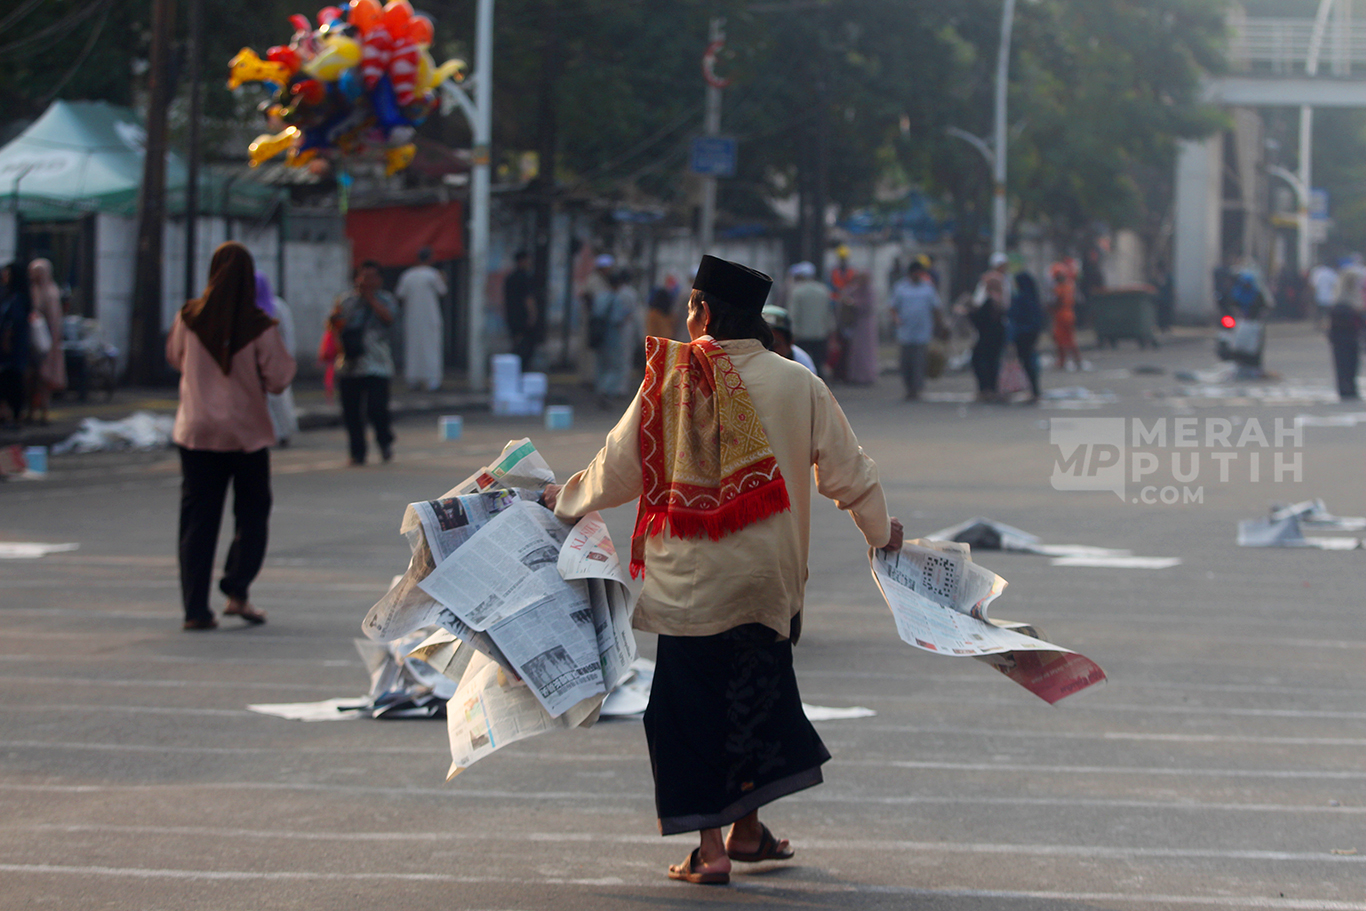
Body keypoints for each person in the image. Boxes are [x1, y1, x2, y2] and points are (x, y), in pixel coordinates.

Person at [542, 255, 903, 886]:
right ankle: (749, 831)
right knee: (752, 705)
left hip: (689, 586)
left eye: (690, 307)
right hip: (769, 582)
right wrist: (881, 533)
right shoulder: (800, 384)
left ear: (704, 312)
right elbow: (850, 474)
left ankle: (711, 850)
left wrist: (563, 502)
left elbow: (619, 467)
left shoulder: (669, 381)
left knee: (690, 714)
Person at [166, 241, 296, 631]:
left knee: (198, 521)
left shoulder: (188, 318)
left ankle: (195, 609)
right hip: (246, 435)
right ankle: (237, 591)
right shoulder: (258, 325)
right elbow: (279, 379)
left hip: (196, 432)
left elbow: (175, 358)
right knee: (252, 515)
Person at [330, 260, 399, 465]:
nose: (366, 281)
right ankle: (357, 452)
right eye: (363, 277)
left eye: (371, 277)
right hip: (350, 364)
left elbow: (389, 320)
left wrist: (370, 299)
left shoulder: (386, 300)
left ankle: (384, 442)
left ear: (379, 279)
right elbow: (336, 325)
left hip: (378, 364)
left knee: (377, 409)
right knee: (351, 412)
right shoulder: (346, 301)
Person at [889, 260, 942, 400]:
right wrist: (896, 319)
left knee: (919, 362)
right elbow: (893, 307)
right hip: (905, 332)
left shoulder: (928, 288)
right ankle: (908, 387)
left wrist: (939, 325)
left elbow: (936, 308)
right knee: (906, 362)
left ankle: (916, 389)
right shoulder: (900, 287)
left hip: (923, 331)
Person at [256, 272, 299, 445]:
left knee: (279, 398)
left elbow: (287, 334)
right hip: (256, 362)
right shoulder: (247, 308)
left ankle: (283, 432)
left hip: (276, 360)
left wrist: (287, 358)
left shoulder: (277, 307)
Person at [397, 247, 447, 390]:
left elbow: (400, 295)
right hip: (430, 318)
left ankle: (413, 379)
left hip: (412, 319)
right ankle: (432, 380)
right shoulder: (433, 274)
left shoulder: (407, 275)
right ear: (430, 259)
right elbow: (442, 290)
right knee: (432, 348)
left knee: (413, 348)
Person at [26, 259, 65, 424]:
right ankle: (32, 411)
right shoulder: (32, 290)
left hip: (46, 343)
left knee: (44, 379)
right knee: (31, 380)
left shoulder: (51, 293)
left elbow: (55, 321)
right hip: (33, 342)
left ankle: (44, 412)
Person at [966, 253, 1009, 402]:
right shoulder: (998, 299)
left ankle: (987, 389)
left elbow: (980, 317)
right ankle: (990, 389)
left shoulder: (991, 301)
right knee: (992, 363)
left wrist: (968, 312)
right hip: (995, 336)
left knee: (982, 361)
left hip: (988, 337)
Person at [786, 262, 832, 378]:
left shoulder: (797, 292)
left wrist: (791, 331)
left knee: (802, 363)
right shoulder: (823, 290)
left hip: (802, 334)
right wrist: (830, 330)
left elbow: (793, 314)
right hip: (820, 333)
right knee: (818, 362)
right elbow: (828, 313)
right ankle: (821, 385)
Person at [0, 261, 31, 426]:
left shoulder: (18, 297)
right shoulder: (6, 294)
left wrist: (7, 338)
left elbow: (15, 321)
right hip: (7, 349)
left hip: (14, 346)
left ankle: (16, 414)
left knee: (14, 380)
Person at [1008, 271, 1045, 403]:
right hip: (1031, 334)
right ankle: (1034, 390)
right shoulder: (1033, 297)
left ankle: (1034, 391)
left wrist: (1011, 339)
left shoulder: (1020, 299)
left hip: (1022, 335)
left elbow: (1013, 317)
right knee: (1030, 362)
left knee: (1027, 362)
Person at [839, 270, 879, 384]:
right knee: (856, 351)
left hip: (866, 323)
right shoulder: (855, 289)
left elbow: (867, 305)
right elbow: (845, 295)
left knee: (866, 351)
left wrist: (854, 303)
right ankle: (856, 376)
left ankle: (867, 376)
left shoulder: (870, 290)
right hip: (857, 324)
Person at [500, 249, 537, 371]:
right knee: (525, 346)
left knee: (516, 343)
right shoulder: (525, 278)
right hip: (522, 316)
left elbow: (504, 300)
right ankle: (522, 369)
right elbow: (528, 299)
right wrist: (532, 315)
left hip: (512, 316)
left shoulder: (510, 278)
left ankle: (514, 369)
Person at [1328, 272, 1362, 401]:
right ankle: (1344, 388)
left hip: (1352, 338)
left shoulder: (1354, 297)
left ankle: (1351, 387)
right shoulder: (1340, 300)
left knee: (1352, 365)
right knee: (1342, 365)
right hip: (1342, 339)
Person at [761, 305, 818, 374]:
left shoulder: (802, 364)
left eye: (775, 345)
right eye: (762, 344)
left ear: (790, 343)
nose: (768, 351)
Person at [1049, 261, 1081, 371]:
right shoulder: (1070, 285)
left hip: (1061, 315)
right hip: (1069, 314)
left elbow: (1057, 302)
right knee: (1069, 339)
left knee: (1060, 339)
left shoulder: (1059, 288)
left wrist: (1049, 308)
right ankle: (1076, 359)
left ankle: (1063, 360)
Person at [1310, 258, 1339, 329]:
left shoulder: (1317, 272)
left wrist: (1313, 295)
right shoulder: (1332, 273)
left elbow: (1313, 285)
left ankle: (1318, 325)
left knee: (1319, 313)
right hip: (1330, 297)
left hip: (1319, 296)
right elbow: (1336, 285)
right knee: (1328, 314)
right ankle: (1328, 326)